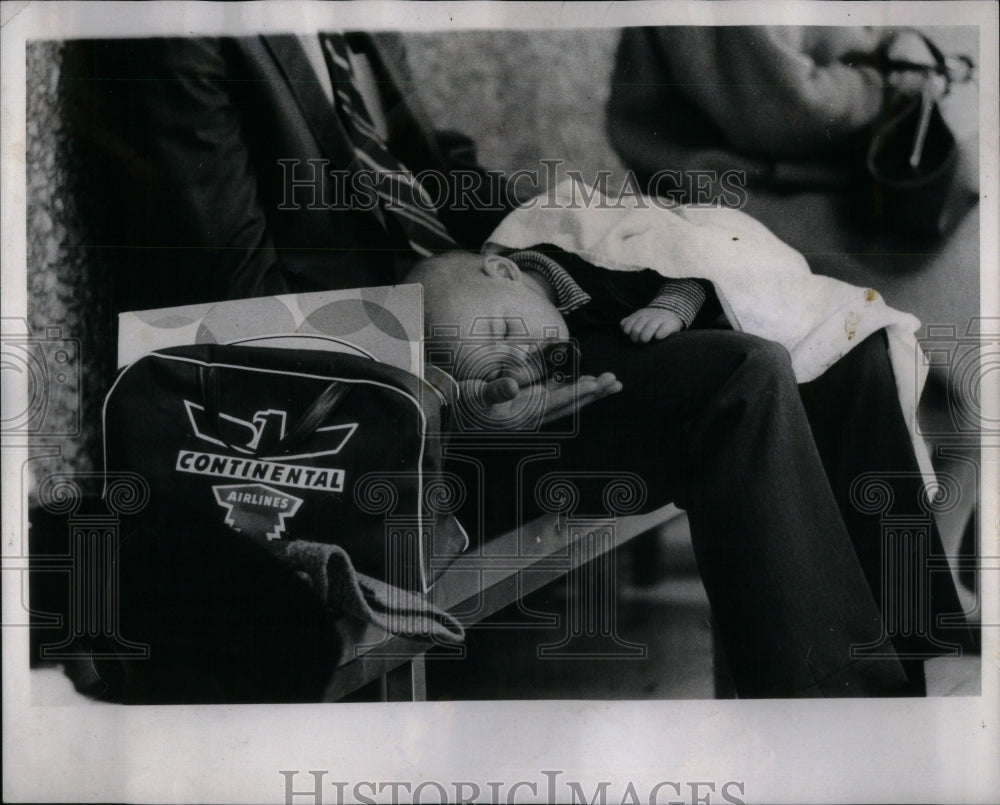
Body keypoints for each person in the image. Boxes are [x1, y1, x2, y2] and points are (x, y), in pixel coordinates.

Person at [59, 31, 972, 700]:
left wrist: (597, 237)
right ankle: (836, 740)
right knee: (739, 377)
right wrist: (446, 403)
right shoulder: (169, 35)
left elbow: (431, 174)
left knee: (838, 343)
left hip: (486, 320)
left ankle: (907, 690)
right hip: (375, 414)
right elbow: (233, 315)